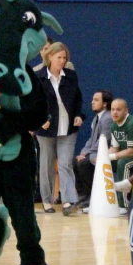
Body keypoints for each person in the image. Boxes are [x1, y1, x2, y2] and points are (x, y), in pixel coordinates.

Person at [36, 42, 84, 216]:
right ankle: (47, 200)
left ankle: (68, 201)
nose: (62, 61)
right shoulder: (38, 76)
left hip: (67, 126)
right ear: (50, 57)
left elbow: (78, 98)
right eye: (59, 58)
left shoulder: (71, 76)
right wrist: (39, 120)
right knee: (46, 165)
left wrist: (79, 115)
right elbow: (34, 103)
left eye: (65, 58)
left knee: (65, 164)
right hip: (46, 127)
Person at [73, 90, 114, 211]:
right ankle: (83, 196)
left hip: (106, 152)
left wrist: (86, 154)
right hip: (95, 151)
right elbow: (91, 139)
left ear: (105, 104)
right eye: (92, 99)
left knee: (85, 163)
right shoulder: (97, 117)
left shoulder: (107, 118)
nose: (92, 102)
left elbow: (103, 140)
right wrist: (83, 152)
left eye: (96, 100)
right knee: (75, 161)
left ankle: (91, 197)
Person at [107, 98, 133, 216]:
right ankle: (105, 199)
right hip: (130, 154)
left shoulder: (132, 123)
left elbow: (132, 152)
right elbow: (114, 148)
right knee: (102, 163)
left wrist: (112, 156)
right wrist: (104, 157)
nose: (115, 112)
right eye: (112, 109)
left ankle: (124, 205)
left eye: (118, 110)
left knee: (123, 163)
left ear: (126, 111)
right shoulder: (114, 125)